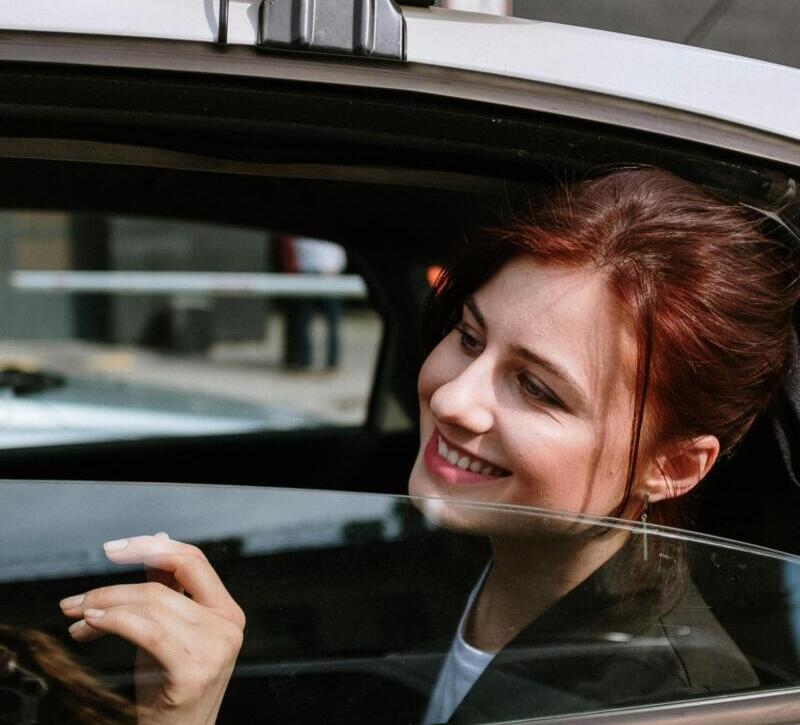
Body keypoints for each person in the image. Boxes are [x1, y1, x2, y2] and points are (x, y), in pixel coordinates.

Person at [58, 168, 799, 722]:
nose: (452, 398)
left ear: (673, 466)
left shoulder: (672, 702)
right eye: (469, 337)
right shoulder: (431, 552)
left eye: (537, 388)